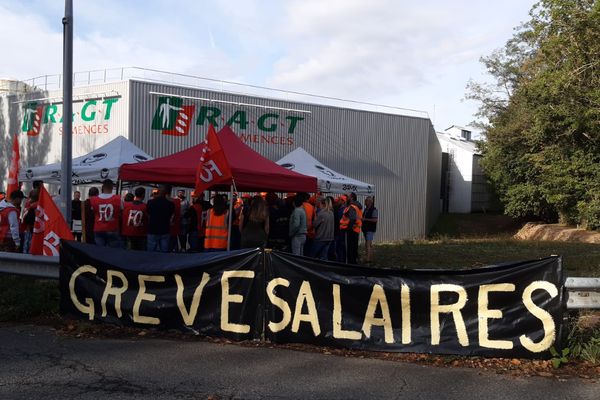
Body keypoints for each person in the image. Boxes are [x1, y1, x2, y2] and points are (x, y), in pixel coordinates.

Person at [90, 179, 122, 248]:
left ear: (102, 187)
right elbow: (121, 211)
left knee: (99, 252)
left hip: (99, 228)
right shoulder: (118, 199)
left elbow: (93, 211)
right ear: (112, 187)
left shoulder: (93, 200)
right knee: (112, 252)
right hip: (113, 228)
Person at [146, 185, 175, 252]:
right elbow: (171, 214)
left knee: (151, 251)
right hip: (165, 229)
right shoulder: (170, 204)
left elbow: (148, 213)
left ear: (158, 191)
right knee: (164, 251)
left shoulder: (150, 202)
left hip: (153, 229)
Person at [339, 192, 363, 264]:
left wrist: (348, 229)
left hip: (350, 230)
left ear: (352, 198)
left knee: (349, 249)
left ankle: (349, 265)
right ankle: (353, 263)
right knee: (353, 249)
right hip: (355, 229)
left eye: (348, 196)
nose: (347, 198)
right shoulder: (356, 206)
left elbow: (352, 219)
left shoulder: (352, 207)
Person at [21, 189, 39, 254]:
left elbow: (26, 220)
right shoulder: (40, 206)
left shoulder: (30, 206)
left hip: (30, 230)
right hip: (37, 231)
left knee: (27, 247)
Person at [362, 196, 378, 263]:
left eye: (366, 201)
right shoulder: (366, 209)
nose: (365, 202)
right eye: (365, 200)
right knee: (368, 244)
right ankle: (370, 257)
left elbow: (375, 220)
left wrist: (365, 219)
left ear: (370, 202)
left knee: (368, 244)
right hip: (365, 229)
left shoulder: (374, 210)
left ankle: (368, 259)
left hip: (370, 229)